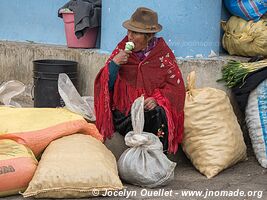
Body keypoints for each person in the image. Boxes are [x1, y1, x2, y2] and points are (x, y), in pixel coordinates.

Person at [94, 7, 185, 154]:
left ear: (148, 36)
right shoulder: (121, 50)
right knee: (134, 117)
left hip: (150, 112)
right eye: (129, 31)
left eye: (135, 33)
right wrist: (114, 64)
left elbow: (175, 88)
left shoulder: (162, 54)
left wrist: (157, 99)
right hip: (126, 112)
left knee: (159, 113)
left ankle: (158, 156)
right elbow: (105, 85)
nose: (129, 36)